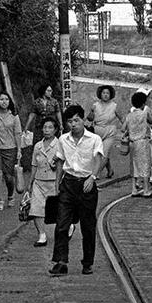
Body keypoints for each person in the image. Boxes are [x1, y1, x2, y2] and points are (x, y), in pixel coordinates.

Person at [49, 105, 104, 277]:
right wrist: (57, 183)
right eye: (70, 121)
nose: (73, 124)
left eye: (76, 120)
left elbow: (98, 159)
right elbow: (59, 161)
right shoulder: (63, 139)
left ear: (82, 120)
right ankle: (61, 261)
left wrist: (92, 177)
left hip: (87, 184)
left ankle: (87, 262)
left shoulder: (94, 139)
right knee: (61, 224)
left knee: (88, 227)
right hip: (69, 183)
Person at [0, 91, 23, 209]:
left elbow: (18, 133)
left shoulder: (14, 116)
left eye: (6, 99)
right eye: (2, 99)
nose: (4, 102)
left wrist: (19, 150)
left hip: (11, 148)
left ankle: (10, 195)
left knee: (9, 176)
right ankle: (0, 200)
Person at [28, 117, 59, 247]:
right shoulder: (38, 146)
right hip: (39, 181)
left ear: (55, 130)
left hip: (54, 181)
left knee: (55, 210)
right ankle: (41, 235)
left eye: (50, 127)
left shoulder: (60, 144)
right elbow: (34, 164)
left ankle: (67, 227)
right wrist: (30, 182)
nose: (47, 130)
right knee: (36, 208)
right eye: (45, 127)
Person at [121, 90, 152, 197]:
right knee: (145, 164)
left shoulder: (129, 116)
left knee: (134, 165)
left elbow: (123, 128)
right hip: (143, 142)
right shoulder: (145, 113)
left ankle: (134, 189)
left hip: (132, 142)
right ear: (143, 103)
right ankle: (146, 189)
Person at [87, 85, 124, 180]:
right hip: (97, 131)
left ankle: (96, 173)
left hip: (110, 132)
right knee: (97, 153)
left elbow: (122, 119)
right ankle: (110, 169)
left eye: (107, 93)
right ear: (100, 94)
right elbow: (90, 119)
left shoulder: (114, 106)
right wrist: (91, 111)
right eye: (104, 93)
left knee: (104, 153)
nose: (105, 95)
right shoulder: (95, 105)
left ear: (110, 94)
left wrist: (127, 129)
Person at [23, 85, 63, 170]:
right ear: (44, 91)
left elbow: (58, 112)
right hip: (39, 126)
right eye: (48, 90)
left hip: (51, 125)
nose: (50, 92)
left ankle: (52, 163)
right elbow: (32, 113)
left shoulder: (54, 102)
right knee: (38, 144)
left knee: (52, 143)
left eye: (51, 91)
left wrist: (61, 124)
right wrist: (27, 126)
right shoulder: (37, 102)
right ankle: (38, 164)